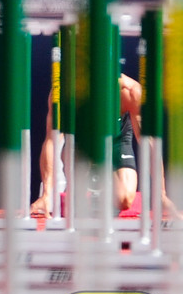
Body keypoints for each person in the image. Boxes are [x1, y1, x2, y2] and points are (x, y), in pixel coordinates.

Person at [31, 73, 178, 217]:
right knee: (79, 197)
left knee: (125, 198)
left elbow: (148, 143)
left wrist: (161, 193)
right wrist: (46, 194)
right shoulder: (65, 93)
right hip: (83, 141)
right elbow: (52, 141)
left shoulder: (129, 92)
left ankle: (107, 178)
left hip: (116, 141)